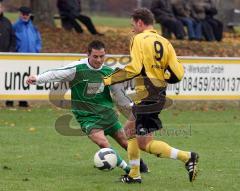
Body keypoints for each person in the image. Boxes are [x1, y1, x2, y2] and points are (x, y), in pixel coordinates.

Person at [103, 8, 199, 183]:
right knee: (130, 132)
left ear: (140, 22)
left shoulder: (138, 39)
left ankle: (187, 157)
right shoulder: (165, 42)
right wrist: (161, 77)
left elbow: (134, 68)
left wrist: (109, 79)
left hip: (147, 95)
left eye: (133, 25)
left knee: (143, 142)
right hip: (158, 94)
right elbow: (178, 74)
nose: (132, 29)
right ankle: (135, 174)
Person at [26, 40, 148, 174]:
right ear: (88, 54)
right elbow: (56, 73)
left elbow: (120, 95)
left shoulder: (109, 72)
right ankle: (128, 169)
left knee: (125, 142)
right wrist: (37, 78)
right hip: (87, 117)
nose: (99, 60)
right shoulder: (77, 68)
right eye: (95, 56)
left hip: (107, 114)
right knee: (103, 143)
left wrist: (132, 110)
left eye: (102, 56)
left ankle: (140, 165)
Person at [13, 6, 42, 107]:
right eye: (23, 14)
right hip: (19, 57)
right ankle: (10, 99)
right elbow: (13, 41)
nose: (25, 16)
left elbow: (38, 41)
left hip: (31, 57)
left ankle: (23, 100)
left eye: (27, 14)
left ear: (29, 15)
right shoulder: (15, 26)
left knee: (26, 79)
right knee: (16, 79)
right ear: (20, 14)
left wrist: (37, 50)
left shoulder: (33, 27)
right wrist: (16, 51)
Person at [0, 1, 16, 107]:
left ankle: (9, 101)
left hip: (6, 58)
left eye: (0, 7)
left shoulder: (7, 22)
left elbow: (12, 38)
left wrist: (11, 52)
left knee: (6, 79)